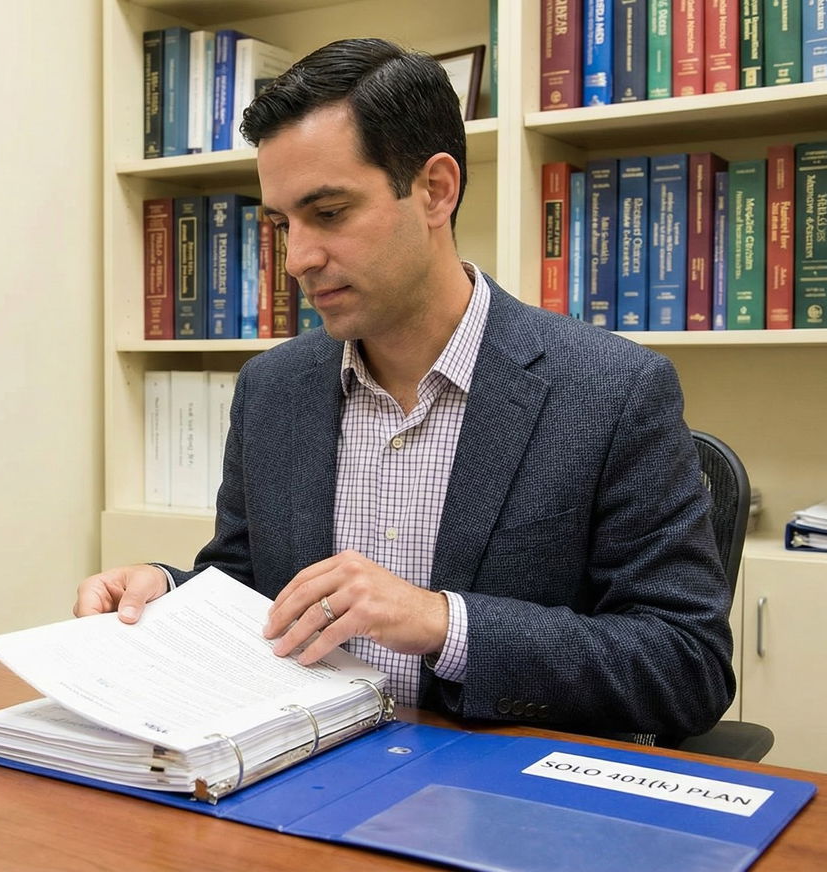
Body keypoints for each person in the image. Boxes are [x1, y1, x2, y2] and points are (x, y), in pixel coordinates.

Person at [75, 38, 734, 744]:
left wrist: (442, 623)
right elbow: (247, 584)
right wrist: (167, 594)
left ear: (435, 190)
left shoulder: (612, 391)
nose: (297, 258)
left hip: (492, 799)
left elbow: (686, 665)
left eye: (328, 213)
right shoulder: (273, 388)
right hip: (295, 775)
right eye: (281, 224)